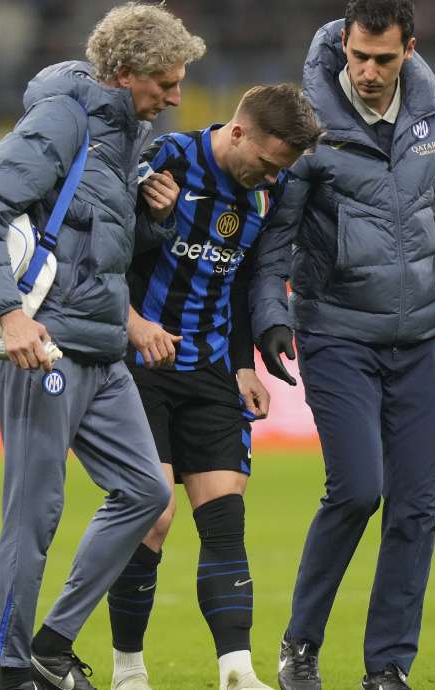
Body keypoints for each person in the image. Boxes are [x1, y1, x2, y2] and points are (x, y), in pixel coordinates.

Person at [247, 2, 435, 689]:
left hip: (419, 335)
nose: (367, 72)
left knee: (417, 507)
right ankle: (300, 646)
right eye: (358, 56)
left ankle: (388, 668)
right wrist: (270, 314)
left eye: (383, 60)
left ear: (409, 50)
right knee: (359, 490)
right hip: (335, 332)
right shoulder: (308, 126)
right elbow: (276, 233)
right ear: (342, 43)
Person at [0, 5, 205, 690]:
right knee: (36, 513)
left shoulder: (126, 136)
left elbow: (98, 252)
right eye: (165, 82)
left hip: (100, 348)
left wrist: (152, 218)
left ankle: (52, 643)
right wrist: (7, 316)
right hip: (44, 348)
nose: (175, 96)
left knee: (146, 493)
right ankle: (12, 672)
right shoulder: (62, 120)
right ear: (125, 74)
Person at [106, 84, 323, 690]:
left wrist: (245, 362)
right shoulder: (167, 160)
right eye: (267, 162)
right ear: (236, 133)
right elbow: (105, 255)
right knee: (153, 516)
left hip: (210, 368)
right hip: (138, 364)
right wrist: (135, 322)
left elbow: (245, 278)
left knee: (225, 515)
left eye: (282, 169)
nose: (271, 176)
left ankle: (236, 671)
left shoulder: (268, 192)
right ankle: (128, 669)